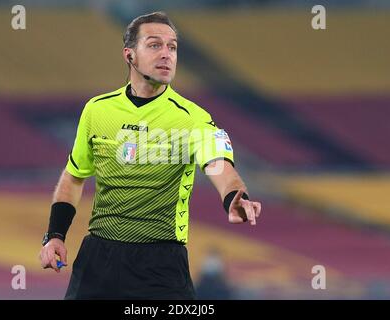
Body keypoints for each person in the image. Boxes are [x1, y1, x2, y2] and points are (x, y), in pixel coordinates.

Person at [38, 11, 262, 300]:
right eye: (155, 45)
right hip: (98, 260)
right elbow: (74, 176)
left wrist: (234, 197)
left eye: (173, 47)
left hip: (161, 264)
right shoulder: (97, 110)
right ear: (129, 55)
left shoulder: (192, 118)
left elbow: (220, 167)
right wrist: (55, 235)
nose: (167, 54)